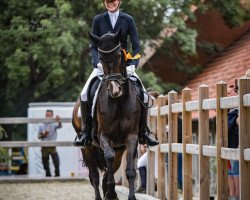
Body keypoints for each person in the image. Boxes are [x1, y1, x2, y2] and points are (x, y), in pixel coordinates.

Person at [73, 0, 158, 147]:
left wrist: (133, 65)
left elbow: (136, 46)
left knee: (143, 94)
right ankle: (86, 133)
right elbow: (93, 46)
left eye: (113, 1)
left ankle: (144, 132)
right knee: (85, 94)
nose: (110, 3)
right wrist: (97, 62)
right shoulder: (98, 20)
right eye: (107, 1)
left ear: (119, 1)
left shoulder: (128, 19)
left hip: (122, 66)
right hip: (103, 66)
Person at [38, 110, 62, 177]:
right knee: (45, 162)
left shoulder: (54, 123)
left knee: (56, 161)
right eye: (46, 115)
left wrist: (59, 120)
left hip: (52, 145)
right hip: (44, 145)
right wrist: (44, 135)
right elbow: (39, 136)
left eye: (49, 115)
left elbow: (60, 126)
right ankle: (48, 175)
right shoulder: (41, 125)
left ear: (52, 116)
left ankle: (57, 174)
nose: (47, 116)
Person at [227, 80, 239, 200]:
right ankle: (233, 196)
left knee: (235, 171)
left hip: (235, 144)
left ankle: (237, 196)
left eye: (231, 92)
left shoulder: (234, 112)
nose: (229, 95)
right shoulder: (229, 112)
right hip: (228, 145)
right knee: (230, 171)